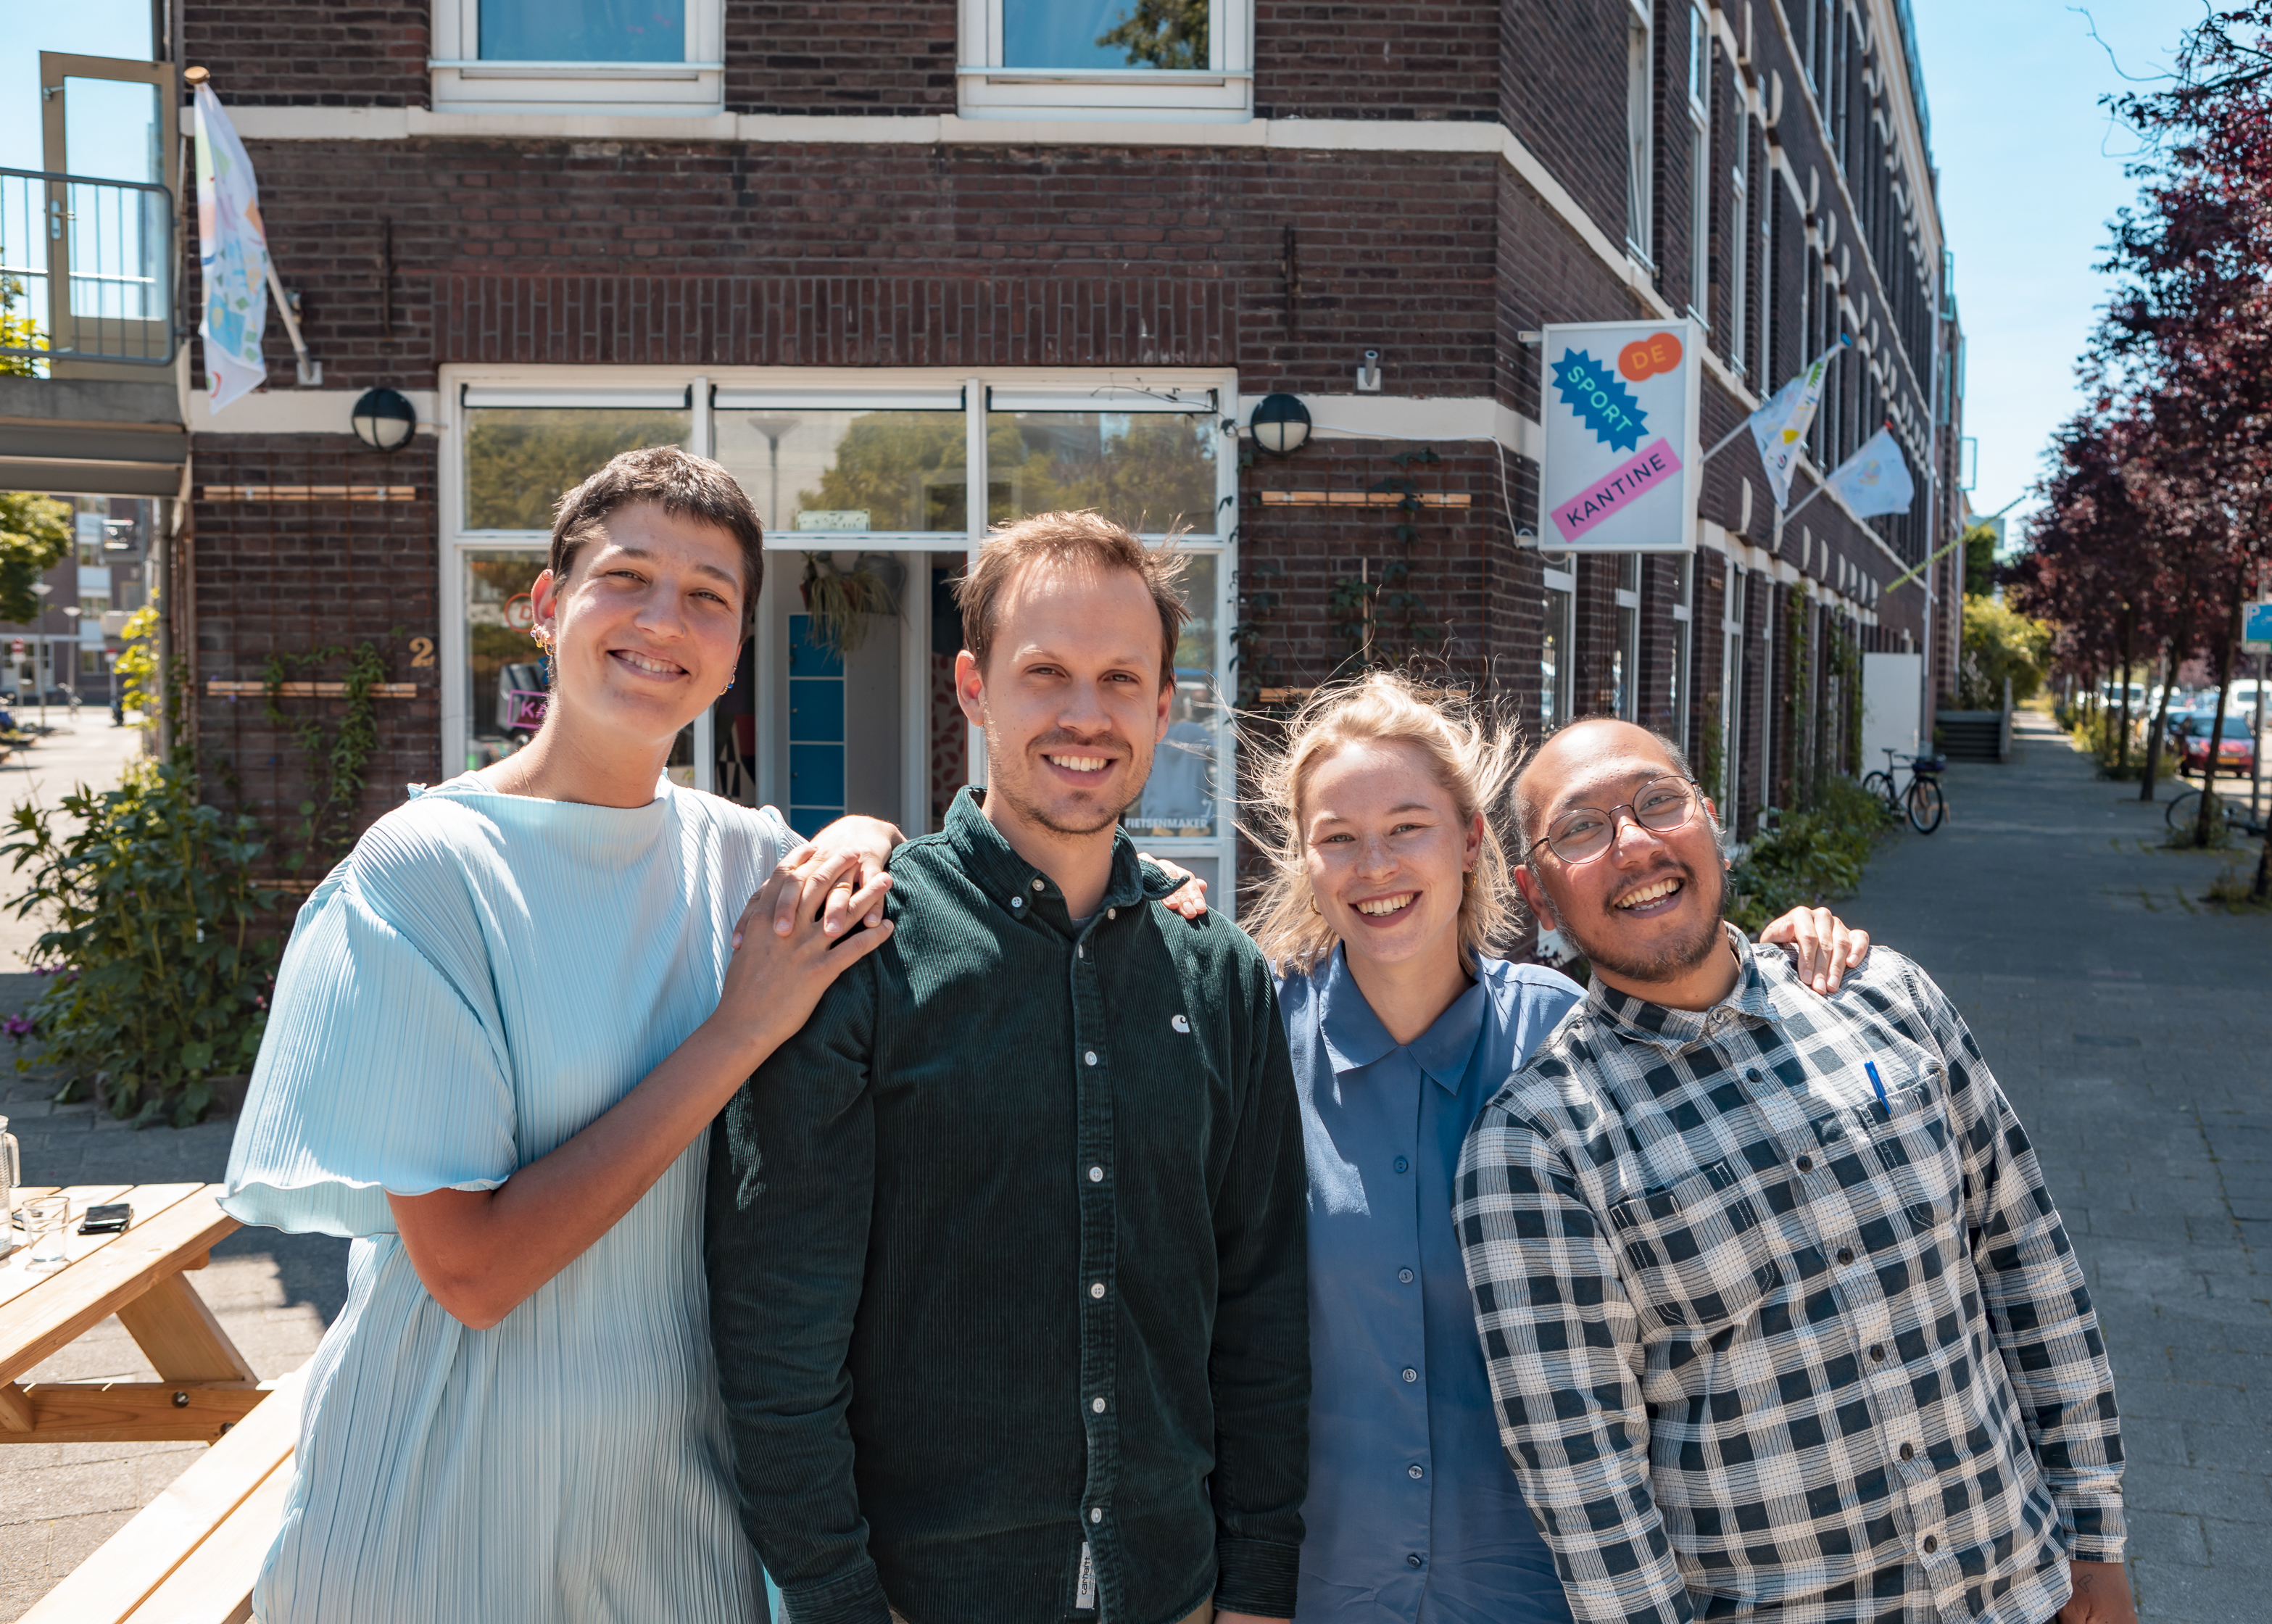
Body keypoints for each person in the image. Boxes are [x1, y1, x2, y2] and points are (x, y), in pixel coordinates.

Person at [222, 447, 905, 1623]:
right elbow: (474, 1274)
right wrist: (738, 1031)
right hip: (441, 1519)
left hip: (674, 1526)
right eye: (625, 577)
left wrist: (873, 829)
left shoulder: (747, 861)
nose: (662, 619)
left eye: (708, 595)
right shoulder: (427, 872)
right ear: (545, 608)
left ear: (737, 646)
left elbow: (929, 897)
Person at [704, 512, 1308, 1624]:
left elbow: (1260, 1312)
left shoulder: (1218, 976)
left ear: (1166, 706)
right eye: (1048, 675)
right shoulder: (860, 951)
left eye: (1123, 679)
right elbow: (776, 1329)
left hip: (1172, 1593)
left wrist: (1261, 1588)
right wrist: (836, 1597)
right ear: (973, 687)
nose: (1088, 715)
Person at [1455, 718, 2135, 1624]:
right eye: (1581, 828)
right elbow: (1588, 1485)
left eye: (1659, 801)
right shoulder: (1537, 1145)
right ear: (1538, 896)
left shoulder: (1888, 996)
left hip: (2023, 1586)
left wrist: (2095, 1541)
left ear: (1708, 815)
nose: (1636, 843)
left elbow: (2030, 1266)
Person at [1236, 674, 1870, 1624]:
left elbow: (1739, 1131)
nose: (1375, 864)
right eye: (1338, 838)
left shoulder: (1574, 1044)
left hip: (1548, 1595)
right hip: (1322, 1595)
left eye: (1408, 826)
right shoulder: (1246, 1054)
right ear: (1307, 862)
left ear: (1471, 839)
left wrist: (1781, 968)